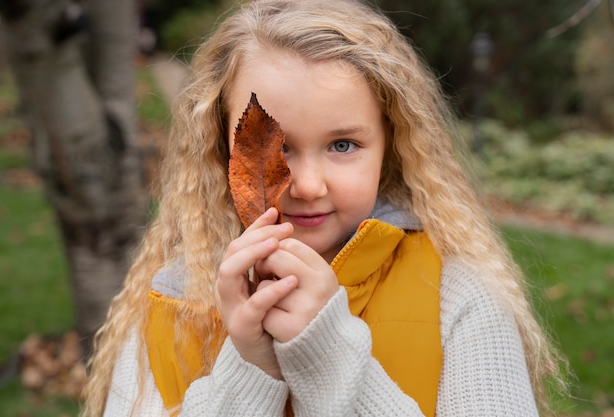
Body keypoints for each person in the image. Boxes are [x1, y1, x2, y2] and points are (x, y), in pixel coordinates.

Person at [82, 0, 567, 416]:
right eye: (276, 148)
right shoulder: (170, 307)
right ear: (219, 147)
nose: (309, 186)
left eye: (342, 145)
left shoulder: (459, 298)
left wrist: (326, 354)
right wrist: (248, 368)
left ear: (390, 145)